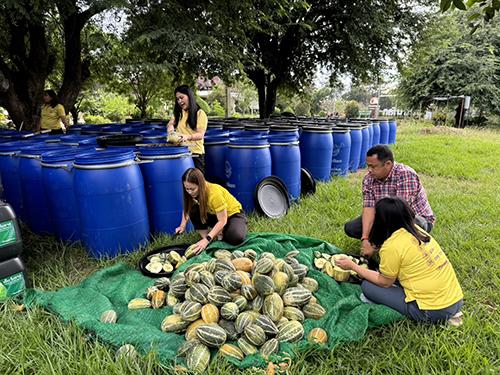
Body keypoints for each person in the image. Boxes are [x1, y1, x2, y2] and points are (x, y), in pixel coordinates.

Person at [336, 197, 463, 325]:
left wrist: (353, 266)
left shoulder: (392, 246)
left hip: (432, 311)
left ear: (381, 221)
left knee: (367, 286)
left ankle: (414, 311)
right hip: (456, 300)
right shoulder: (418, 231)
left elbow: (384, 282)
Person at [344, 145, 435, 257]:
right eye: (368, 166)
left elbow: (400, 214)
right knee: (351, 228)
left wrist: (374, 246)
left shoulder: (405, 174)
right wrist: (365, 238)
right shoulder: (368, 179)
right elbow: (369, 208)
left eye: (373, 167)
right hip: (384, 216)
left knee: (410, 227)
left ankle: (392, 245)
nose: (369, 170)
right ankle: (383, 241)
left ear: (388, 164)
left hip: (413, 218)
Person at [175, 168, 248, 254]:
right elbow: (187, 208)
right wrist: (182, 226)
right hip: (215, 214)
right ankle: (207, 237)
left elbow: (222, 220)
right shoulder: (192, 192)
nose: (190, 192)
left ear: (201, 185)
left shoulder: (214, 194)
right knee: (194, 210)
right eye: (187, 189)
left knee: (235, 238)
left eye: (192, 189)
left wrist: (208, 239)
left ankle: (215, 235)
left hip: (232, 214)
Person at [167, 85, 208, 172]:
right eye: (177, 99)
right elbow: (171, 123)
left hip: (195, 154)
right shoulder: (179, 113)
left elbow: (200, 135)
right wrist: (170, 129)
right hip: (181, 153)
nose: (179, 101)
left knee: (196, 184)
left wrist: (187, 137)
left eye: (181, 97)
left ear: (189, 96)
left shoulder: (200, 114)